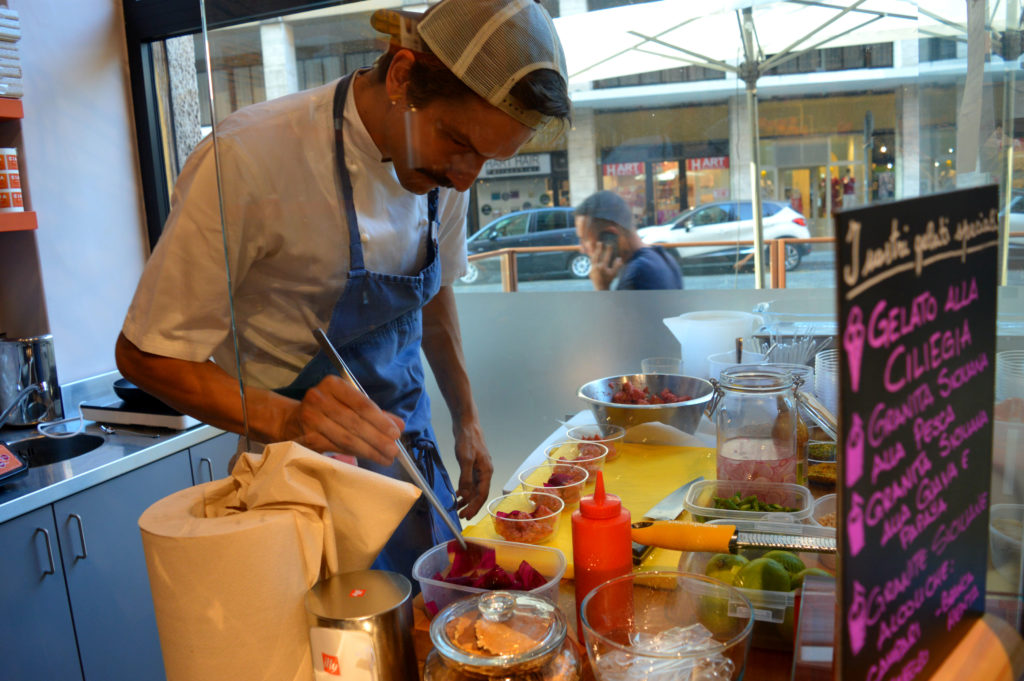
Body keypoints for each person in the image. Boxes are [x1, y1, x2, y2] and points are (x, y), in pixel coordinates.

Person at [114, 0, 571, 578]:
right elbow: (144, 354)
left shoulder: (448, 172)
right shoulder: (248, 159)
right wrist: (289, 418)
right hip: (299, 489)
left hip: (409, 464)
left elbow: (431, 293)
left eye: (488, 158)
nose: (465, 178)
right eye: (458, 142)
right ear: (402, 76)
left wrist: (467, 420)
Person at [574, 190, 683, 291]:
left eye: (585, 239)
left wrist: (601, 287)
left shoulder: (637, 274)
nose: (582, 249)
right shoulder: (664, 257)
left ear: (609, 236)